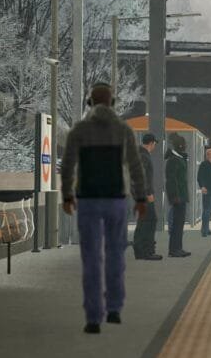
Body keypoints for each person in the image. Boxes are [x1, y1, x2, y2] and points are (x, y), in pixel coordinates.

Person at [60, 82, 147, 334]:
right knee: (115, 254)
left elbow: (68, 165)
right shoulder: (123, 130)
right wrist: (140, 198)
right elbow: (135, 166)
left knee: (91, 258)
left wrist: (67, 195)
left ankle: (93, 318)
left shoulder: (80, 130)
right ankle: (114, 309)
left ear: (90, 103)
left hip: (87, 200)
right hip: (116, 200)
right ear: (113, 103)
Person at [133, 133, 162, 260]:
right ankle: (148, 251)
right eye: (154, 143)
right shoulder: (144, 156)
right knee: (150, 220)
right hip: (144, 195)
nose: (155, 145)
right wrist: (149, 193)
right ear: (151, 143)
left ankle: (139, 250)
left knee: (142, 221)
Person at [165, 133, 191, 258]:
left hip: (181, 196)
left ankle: (178, 248)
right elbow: (171, 180)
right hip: (177, 197)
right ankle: (174, 250)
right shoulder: (173, 160)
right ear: (180, 145)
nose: (186, 146)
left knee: (179, 224)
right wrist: (174, 196)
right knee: (176, 224)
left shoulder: (178, 158)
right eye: (184, 144)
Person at [197, 146, 211, 238]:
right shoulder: (204, 164)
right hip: (208, 191)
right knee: (207, 211)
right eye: (209, 154)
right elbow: (199, 177)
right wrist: (202, 186)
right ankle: (204, 231)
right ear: (207, 155)